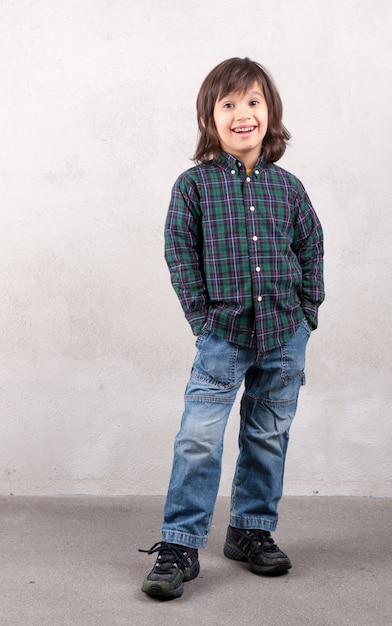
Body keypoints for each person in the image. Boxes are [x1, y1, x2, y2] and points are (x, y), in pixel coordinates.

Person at [140, 57, 325, 600]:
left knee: (268, 435)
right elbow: (179, 252)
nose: (242, 114)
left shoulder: (288, 187)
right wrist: (201, 318)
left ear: (270, 113)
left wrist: (307, 313)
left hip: (284, 332)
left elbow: (311, 246)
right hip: (223, 334)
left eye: (253, 102)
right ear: (209, 118)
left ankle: (251, 531)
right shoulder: (194, 186)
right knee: (199, 437)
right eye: (228, 104)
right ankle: (179, 543)